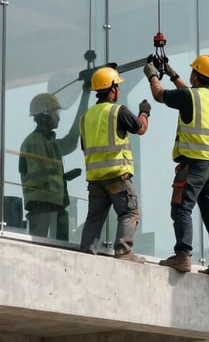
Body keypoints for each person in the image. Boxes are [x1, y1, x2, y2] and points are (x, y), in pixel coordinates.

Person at [144, 54, 209, 279]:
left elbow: (159, 95)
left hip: (192, 165)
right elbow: (189, 95)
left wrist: (152, 75)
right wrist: (172, 74)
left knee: (181, 208)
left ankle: (183, 255)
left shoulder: (189, 96)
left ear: (196, 75)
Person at [78, 66, 151, 262]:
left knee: (94, 218)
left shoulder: (85, 117)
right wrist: (144, 112)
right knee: (129, 212)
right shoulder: (118, 111)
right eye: (117, 86)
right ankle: (123, 251)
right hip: (117, 176)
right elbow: (140, 128)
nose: (119, 89)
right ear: (111, 88)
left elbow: (84, 147)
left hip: (95, 179)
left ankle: (86, 254)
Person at [19, 91, 85, 240]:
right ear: (45, 115)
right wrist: (85, 94)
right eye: (56, 113)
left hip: (49, 205)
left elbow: (41, 173)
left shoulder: (41, 141)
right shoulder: (37, 142)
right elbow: (71, 141)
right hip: (44, 206)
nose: (59, 117)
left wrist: (63, 177)